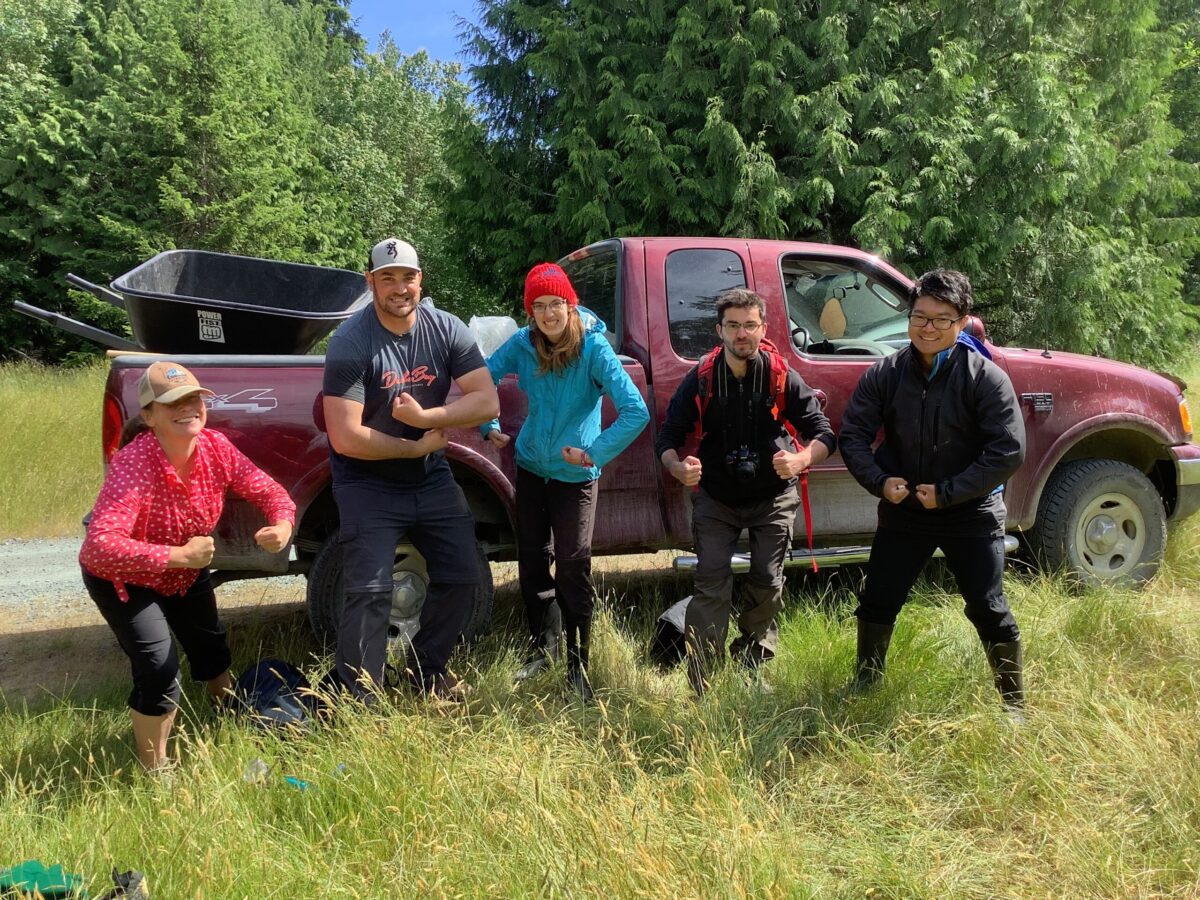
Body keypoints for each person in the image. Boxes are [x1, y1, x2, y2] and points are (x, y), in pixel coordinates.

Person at [80, 361, 295, 772]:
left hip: (184, 572)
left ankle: (226, 710)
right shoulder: (134, 463)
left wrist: (283, 523)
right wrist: (177, 556)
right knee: (159, 668)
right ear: (149, 416)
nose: (188, 407)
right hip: (125, 580)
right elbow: (98, 547)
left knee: (210, 644)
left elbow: (267, 489)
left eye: (194, 399)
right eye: (173, 402)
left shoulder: (215, 447)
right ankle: (156, 770)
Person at [838, 269, 1027, 712]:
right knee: (877, 600)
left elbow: (1009, 450)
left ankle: (1014, 705)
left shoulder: (986, 377)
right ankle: (865, 685)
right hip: (905, 511)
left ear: (962, 322)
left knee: (988, 606)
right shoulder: (885, 373)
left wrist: (948, 492)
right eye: (919, 316)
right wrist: (881, 482)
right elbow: (853, 436)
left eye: (942, 319)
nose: (928, 327)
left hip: (971, 511)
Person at [322, 237, 499, 701]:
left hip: (429, 476)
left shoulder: (446, 329)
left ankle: (427, 673)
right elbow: (345, 436)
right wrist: (411, 447)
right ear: (371, 282)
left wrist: (426, 421)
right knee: (369, 591)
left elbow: (486, 400)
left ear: (421, 279)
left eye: (408, 277)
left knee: (463, 574)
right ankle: (361, 697)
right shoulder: (350, 342)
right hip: (366, 481)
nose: (400, 287)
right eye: (388, 278)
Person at [482, 262, 649, 701]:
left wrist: (595, 451)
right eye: (539, 305)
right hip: (532, 468)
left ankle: (579, 666)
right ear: (530, 311)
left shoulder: (594, 348)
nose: (548, 313)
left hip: (575, 477)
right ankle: (543, 650)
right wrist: (488, 422)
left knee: (573, 567)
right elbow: (482, 379)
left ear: (569, 304)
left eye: (556, 303)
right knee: (534, 562)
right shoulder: (523, 343)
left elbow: (636, 410)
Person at [656, 288, 835, 696]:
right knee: (710, 582)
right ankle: (702, 679)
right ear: (719, 330)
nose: (742, 334)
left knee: (768, 582)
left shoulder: (780, 375)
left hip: (773, 495)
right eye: (733, 325)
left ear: (763, 328)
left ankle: (752, 661)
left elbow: (824, 433)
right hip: (716, 496)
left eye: (750, 325)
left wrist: (801, 460)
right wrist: (677, 466)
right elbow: (668, 435)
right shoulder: (702, 376)